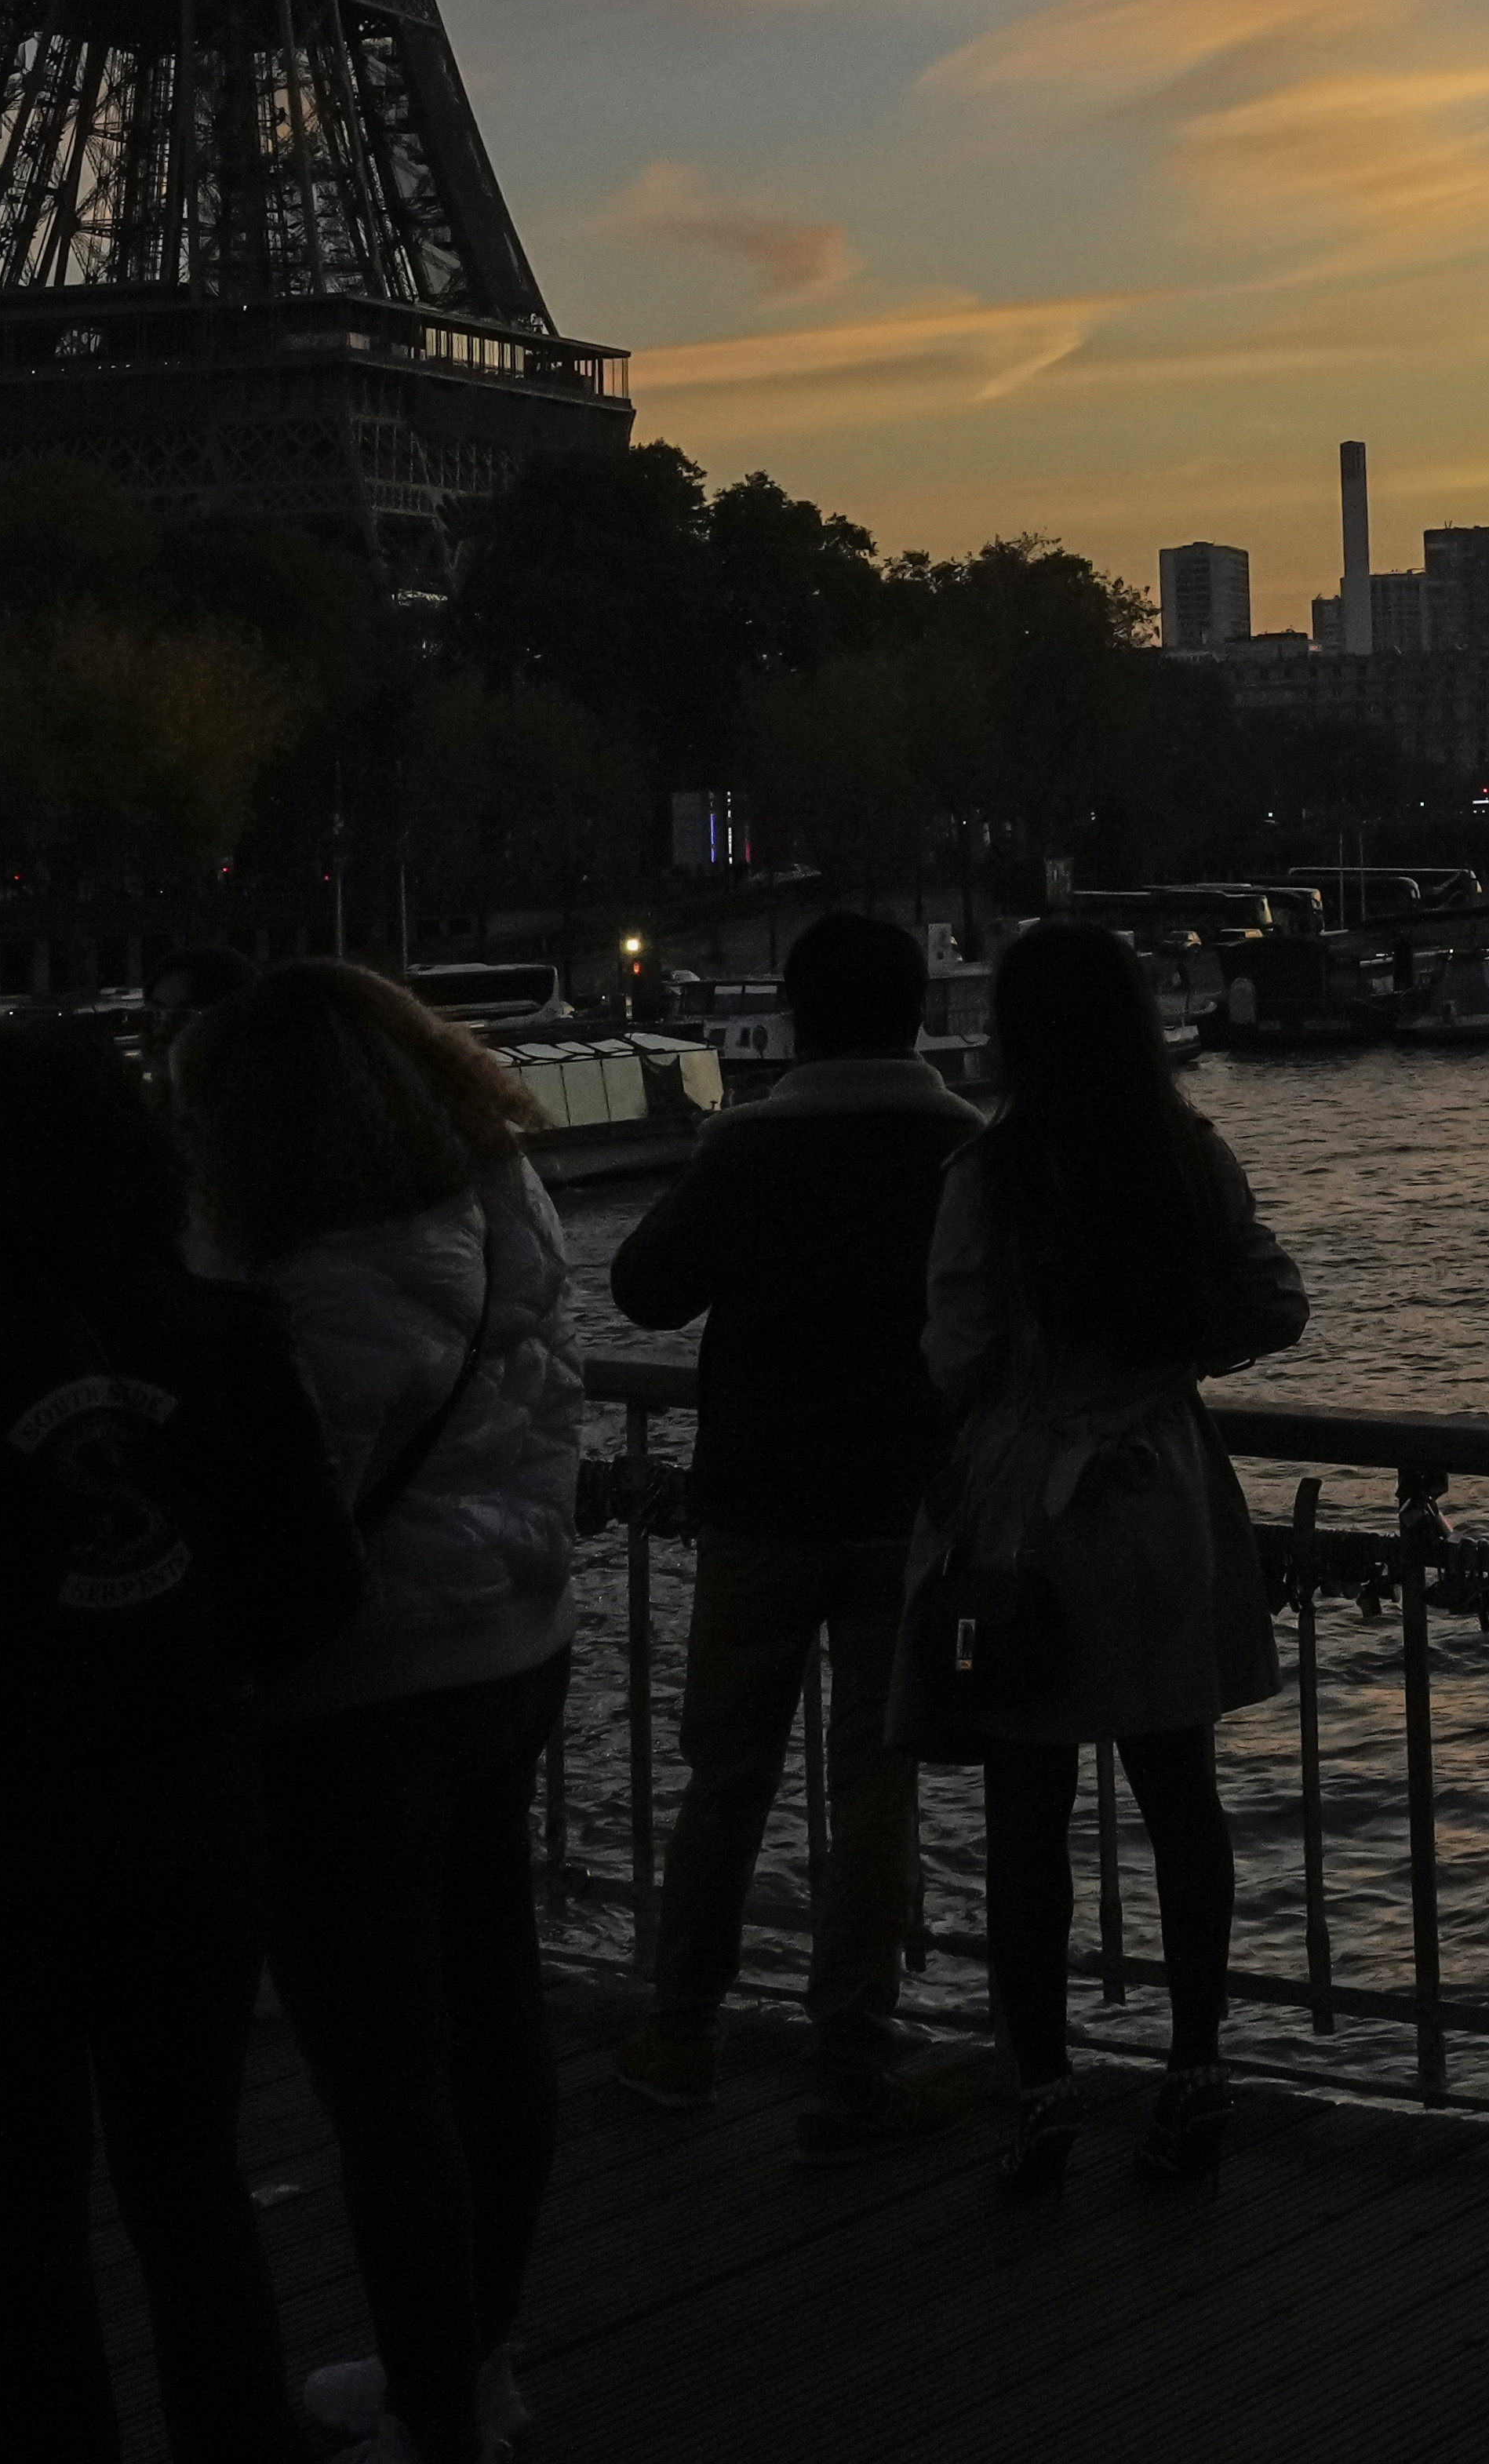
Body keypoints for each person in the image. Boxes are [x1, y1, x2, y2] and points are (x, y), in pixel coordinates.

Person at [0, 1018, 362, 2464]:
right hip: (186, 1819)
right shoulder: (236, 1343)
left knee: (19, 2203)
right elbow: (318, 1590)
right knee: (188, 2178)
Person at [173, 959, 586, 2464]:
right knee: (496, 2021)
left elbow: (286, 1529)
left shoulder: (302, 1290)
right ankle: (471, 2357)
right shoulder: (504, 1200)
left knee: (384, 2074)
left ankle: (432, 2407)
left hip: (359, 1704)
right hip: (513, 1650)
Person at [904, 917, 1308, 2200]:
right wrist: (1175, 1360)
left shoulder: (990, 1175)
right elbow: (1275, 1300)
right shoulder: (1185, 1156)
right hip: (1161, 1492)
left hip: (1030, 1507)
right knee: (1179, 1795)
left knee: (1028, 1812)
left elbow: (953, 1359)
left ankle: (1043, 2092)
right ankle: (1195, 2075)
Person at [611, 909, 984, 2151]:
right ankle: (851, 2058)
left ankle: (678, 2033)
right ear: (921, 1015)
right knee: (876, 1788)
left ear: (794, 1018)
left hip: (757, 1502)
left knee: (724, 1779)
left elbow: (645, 1291)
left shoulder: (748, 1156)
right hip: (905, 1511)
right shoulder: (962, 1153)